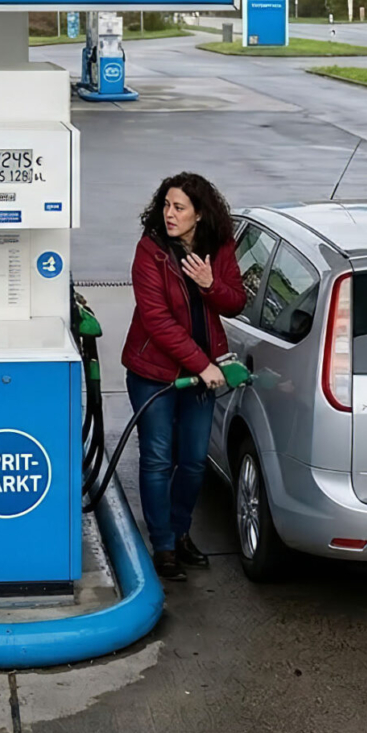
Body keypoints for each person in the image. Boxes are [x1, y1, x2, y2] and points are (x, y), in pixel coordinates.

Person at [122, 173, 248, 582]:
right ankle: (162, 546)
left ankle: (180, 533)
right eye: (166, 205)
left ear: (199, 214)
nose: (170, 214)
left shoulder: (219, 246)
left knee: (193, 462)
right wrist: (203, 365)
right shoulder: (151, 251)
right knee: (158, 459)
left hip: (200, 376)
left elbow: (236, 301)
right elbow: (157, 321)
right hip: (154, 374)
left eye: (179, 207)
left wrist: (210, 285)